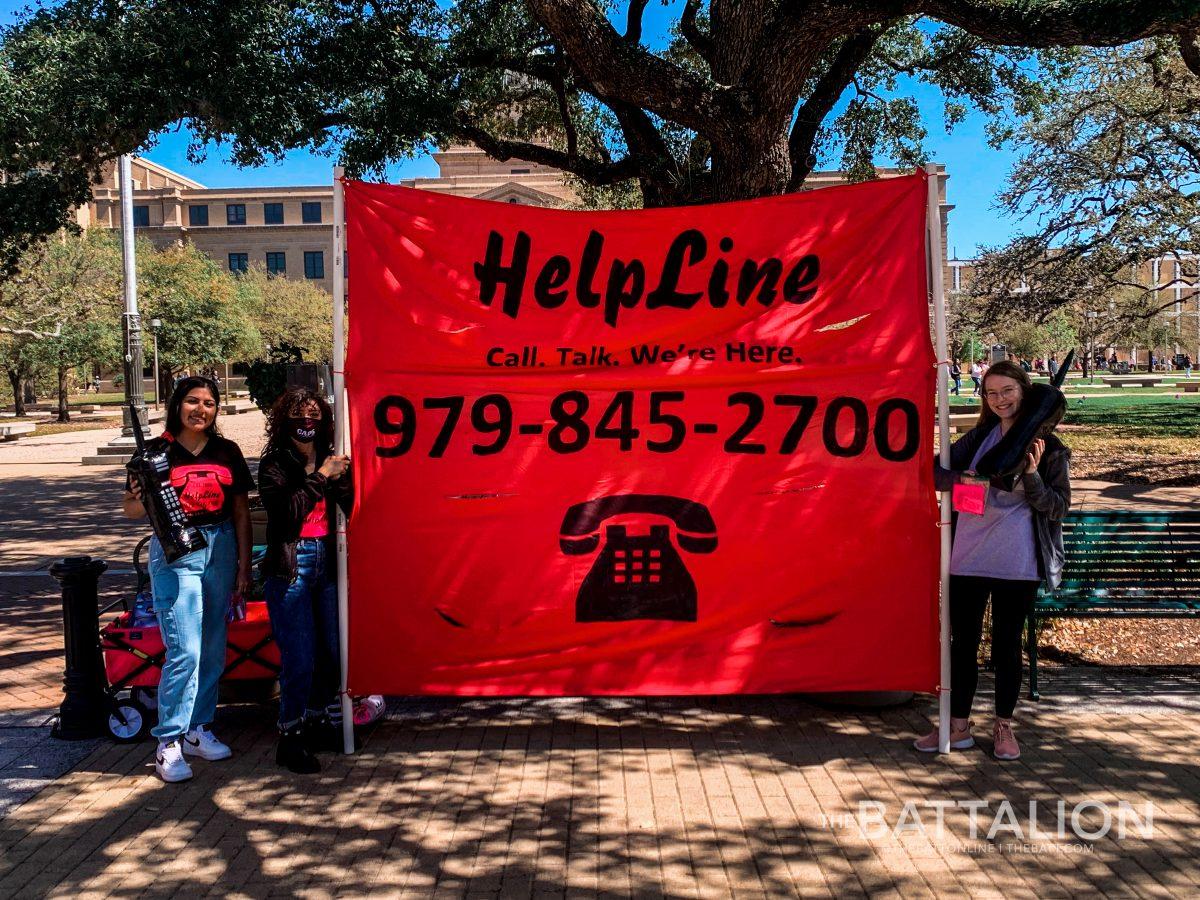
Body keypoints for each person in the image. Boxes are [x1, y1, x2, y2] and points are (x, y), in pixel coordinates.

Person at [914, 360, 1071, 760]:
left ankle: (1004, 725)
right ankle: (957, 726)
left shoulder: (1050, 449)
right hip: (968, 556)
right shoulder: (980, 437)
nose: (1000, 400)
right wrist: (961, 480)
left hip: (1016, 563)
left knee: (1005, 647)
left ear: (1026, 392)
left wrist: (1033, 476)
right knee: (961, 645)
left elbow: (1058, 508)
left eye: (1008, 391)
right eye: (992, 393)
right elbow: (932, 472)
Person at [122, 376, 254, 783]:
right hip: (177, 552)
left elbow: (240, 513)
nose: (201, 409)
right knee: (186, 650)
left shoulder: (227, 451)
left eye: (209, 403)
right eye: (193, 401)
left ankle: (199, 728)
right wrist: (137, 491)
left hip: (221, 547)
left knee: (213, 646)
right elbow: (130, 512)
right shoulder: (155, 452)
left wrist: (244, 567)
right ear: (177, 404)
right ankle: (169, 739)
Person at [258, 388, 353, 773]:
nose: (307, 421)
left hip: (329, 562)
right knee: (299, 658)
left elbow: (350, 505)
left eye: (314, 413)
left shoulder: (332, 456)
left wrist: (340, 478)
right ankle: (290, 735)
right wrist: (320, 476)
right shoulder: (274, 463)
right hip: (292, 566)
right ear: (284, 420)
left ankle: (317, 719)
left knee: (332, 652)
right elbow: (286, 514)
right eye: (298, 414)